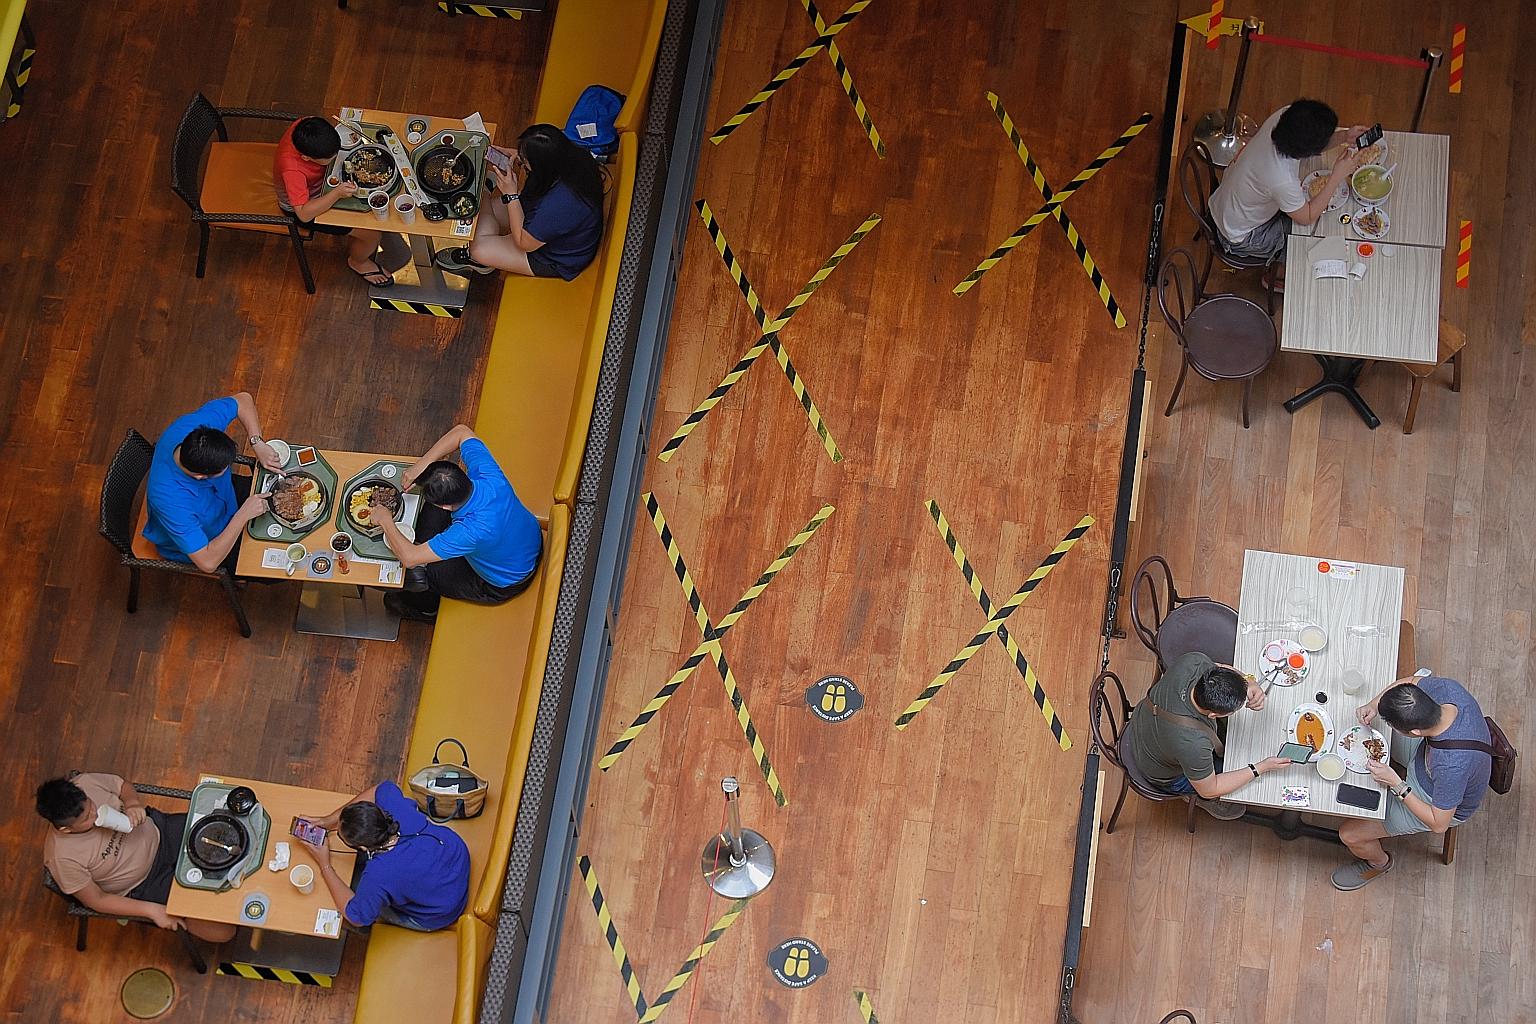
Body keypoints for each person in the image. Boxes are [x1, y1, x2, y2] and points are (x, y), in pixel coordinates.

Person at [1331, 672, 1493, 891]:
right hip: (1424, 754)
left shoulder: (1451, 766)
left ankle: (1379, 863)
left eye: (1396, 727)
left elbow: (1439, 824)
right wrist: (1374, 705)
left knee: (1350, 834)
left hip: (1434, 802)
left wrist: (1397, 783)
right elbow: (1410, 682)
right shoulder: (1449, 691)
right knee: (1372, 731)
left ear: (1415, 731)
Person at [36, 773, 236, 943]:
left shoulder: (85, 782)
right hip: (146, 883)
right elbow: (96, 900)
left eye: (91, 806)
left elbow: (122, 785)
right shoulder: (62, 859)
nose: (95, 814)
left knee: (230, 834)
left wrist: (132, 803)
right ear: (65, 829)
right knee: (223, 932)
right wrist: (152, 910)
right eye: (86, 818)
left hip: (162, 831)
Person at [371, 425, 543, 623]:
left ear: (445, 506)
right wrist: (422, 464)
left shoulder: (469, 531)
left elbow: (410, 558)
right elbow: (462, 432)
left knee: (420, 574)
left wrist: (385, 520)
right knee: (427, 528)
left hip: (507, 580)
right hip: (527, 539)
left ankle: (426, 609)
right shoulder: (488, 475)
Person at [1121, 652, 1290, 819]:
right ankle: (1195, 797)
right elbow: (1210, 789)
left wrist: (1248, 682)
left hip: (1144, 720)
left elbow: (1220, 667)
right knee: (1236, 764)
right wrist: (1260, 767)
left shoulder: (1193, 662)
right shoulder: (1193, 744)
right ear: (1213, 715)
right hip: (1162, 772)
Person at [1207, 99, 1372, 262]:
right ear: (1308, 152)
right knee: (1309, 246)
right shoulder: (1281, 179)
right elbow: (1307, 217)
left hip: (1225, 203)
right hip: (1240, 234)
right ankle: (1279, 271)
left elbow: (1310, 144)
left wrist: (1344, 136)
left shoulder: (1285, 116)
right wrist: (1336, 176)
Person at [433, 124, 604, 280]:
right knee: (478, 209)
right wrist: (519, 154)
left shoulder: (561, 204)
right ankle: (485, 191)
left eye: (525, 160)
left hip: (551, 256)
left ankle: (478, 261)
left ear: (542, 165)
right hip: (538, 214)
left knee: (478, 249)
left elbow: (524, 243)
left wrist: (511, 195)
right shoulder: (572, 156)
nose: (522, 162)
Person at [293, 781, 469, 932]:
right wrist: (328, 821)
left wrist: (324, 864)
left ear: (363, 848)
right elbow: (379, 788)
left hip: (441, 911)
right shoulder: (394, 809)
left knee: (355, 899)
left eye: (340, 836)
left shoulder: (380, 875)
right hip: (456, 857)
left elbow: (356, 917)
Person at [143, 392, 285, 572]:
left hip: (227, 497)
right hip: (212, 540)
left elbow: (243, 400)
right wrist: (242, 516)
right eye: (224, 468)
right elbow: (208, 562)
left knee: (284, 497)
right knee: (275, 566)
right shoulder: (170, 502)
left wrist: (257, 442)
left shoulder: (197, 433)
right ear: (200, 476)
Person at [273, 115, 393, 287]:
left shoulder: (308, 124)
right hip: (306, 206)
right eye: (330, 157)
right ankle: (358, 262)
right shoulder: (293, 171)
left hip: (324, 184)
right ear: (306, 157)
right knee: (371, 233)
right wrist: (336, 193)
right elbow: (304, 214)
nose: (335, 156)